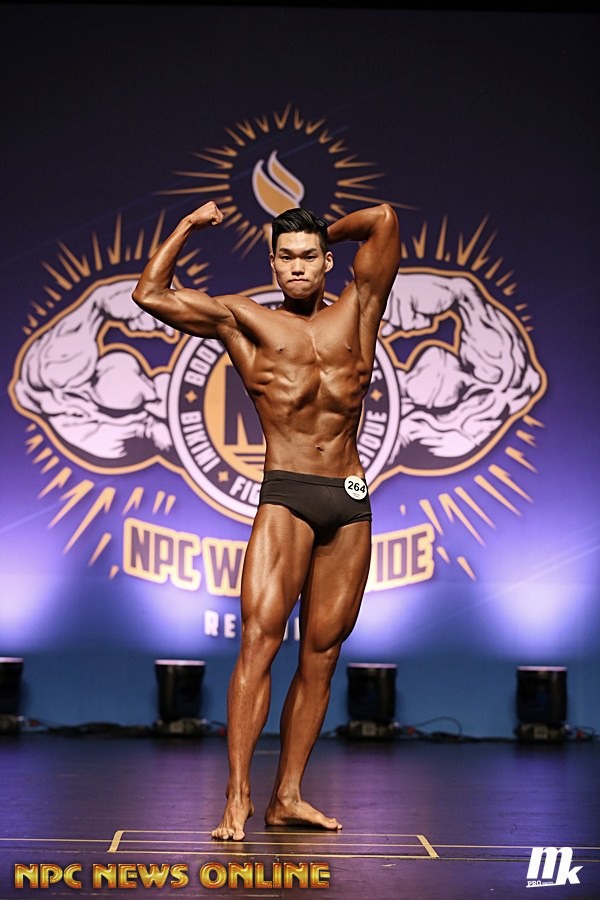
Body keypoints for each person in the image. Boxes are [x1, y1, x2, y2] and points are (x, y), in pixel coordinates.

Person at [132, 199, 401, 840]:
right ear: (272, 264)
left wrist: (319, 229)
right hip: (287, 495)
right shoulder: (242, 319)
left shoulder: (360, 307)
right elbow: (150, 294)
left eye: (309, 256)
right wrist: (188, 227)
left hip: (349, 497)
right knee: (259, 642)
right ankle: (237, 797)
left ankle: (288, 796)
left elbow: (385, 219)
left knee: (323, 653)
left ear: (327, 261)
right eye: (286, 257)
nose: (298, 267)